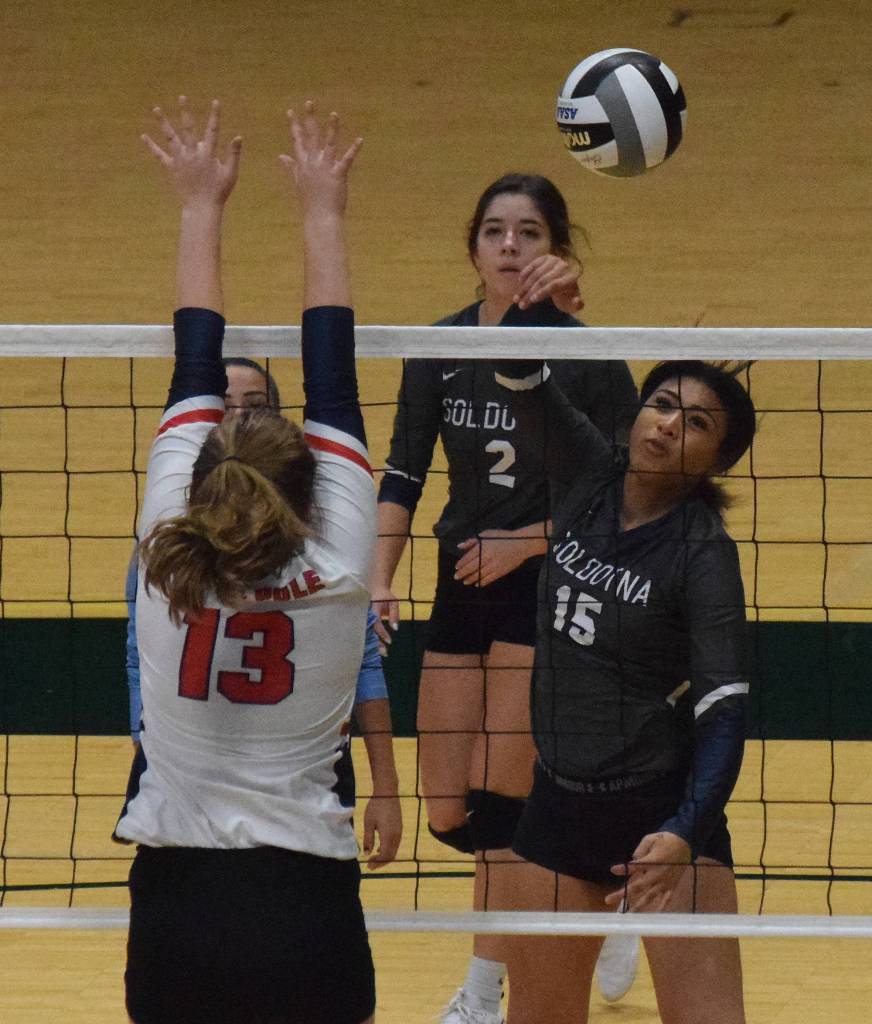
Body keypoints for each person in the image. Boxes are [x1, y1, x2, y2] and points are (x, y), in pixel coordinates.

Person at [114, 96, 377, 1024]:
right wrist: (323, 209)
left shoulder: (162, 560)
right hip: (302, 896)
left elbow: (194, 366)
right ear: (309, 487)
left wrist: (198, 205)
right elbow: (334, 377)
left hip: (178, 903)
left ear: (204, 475)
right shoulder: (342, 567)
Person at [369, 173, 640, 1022]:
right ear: (473, 247)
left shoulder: (587, 353)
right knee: (449, 806)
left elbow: (631, 492)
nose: (511, 246)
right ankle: (606, 878)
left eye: (529, 232)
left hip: (550, 583)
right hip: (461, 579)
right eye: (495, 231)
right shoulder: (440, 344)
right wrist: (379, 576)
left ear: (556, 246)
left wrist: (525, 541)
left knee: (503, 806)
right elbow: (404, 470)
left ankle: (485, 994)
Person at [488, 354, 755, 1024]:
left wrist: (685, 832)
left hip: (658, 812)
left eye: (695, 422)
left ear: (718, 459)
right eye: (661, 404)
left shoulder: (702, 552)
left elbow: (723, 713)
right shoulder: (589, 472)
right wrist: (535, 300)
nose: (667, 425)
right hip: (558, 805)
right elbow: (520, 373)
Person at [123, 357, 401, 871]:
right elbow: (136, 657)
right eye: (224, 407)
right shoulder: (172, 545)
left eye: (254, 407)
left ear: (278, 423)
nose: (237, 418)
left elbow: (365, 660)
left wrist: (387, 787)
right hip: (181, 766)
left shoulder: (322, 538)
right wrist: (151, 741)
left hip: (307, 761)